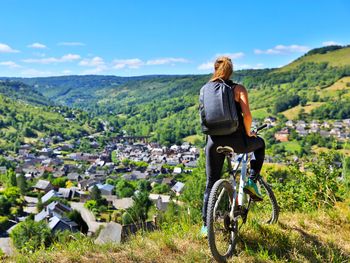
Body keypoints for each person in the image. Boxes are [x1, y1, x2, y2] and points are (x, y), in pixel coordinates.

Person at [201, 56, 265, 237]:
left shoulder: (205, 89)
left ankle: (206, 227)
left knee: (210, 183)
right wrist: (248, 133)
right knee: (260, 145)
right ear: (231, 70)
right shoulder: (238, 88)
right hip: (236, 140)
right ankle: (252, 180)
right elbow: (247, 116)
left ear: (215, 69)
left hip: (213, 142)